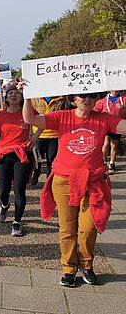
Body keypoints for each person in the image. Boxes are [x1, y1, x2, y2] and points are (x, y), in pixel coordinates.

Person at [24, 91, 126, 287]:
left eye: (92, 96)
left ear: (97, 99)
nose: (86, 100)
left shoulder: (103, 119)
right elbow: (29, 118)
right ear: (73, 99)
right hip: (64, 180)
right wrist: (28, 95)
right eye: (82, 96)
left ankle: (87, 265)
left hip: (93, 182)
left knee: (88, 228)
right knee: (67, 228)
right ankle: (68, 269)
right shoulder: (62, 116)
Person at [0, 85, 41, 237]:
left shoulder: (27, 111)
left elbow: (43, 123)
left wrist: (36, 135)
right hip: (4, 154)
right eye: (10, 93)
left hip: (22, 154)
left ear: (21, 97)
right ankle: (5, 205)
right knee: (3, 191)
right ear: (5, 98)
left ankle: (17, 222)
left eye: (17, 93)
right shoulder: (0, 115)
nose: (14, 95)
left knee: (19, 190)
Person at [30, 96, 70, 185]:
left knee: (51, 160)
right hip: (38, 134)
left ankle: (50, 180)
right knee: (37, 159)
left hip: (54, 135)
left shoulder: (61, 99)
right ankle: (36, 173)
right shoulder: (34, 98)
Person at [94, 90, 125, 173]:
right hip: (106, 125)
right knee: (105, 144)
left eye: (116, 89)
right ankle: (104, 162)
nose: (115, 90)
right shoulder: (103, 101)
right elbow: (95, 111)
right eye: (113, 88)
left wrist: (124, 108)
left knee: (114, 145)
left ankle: (112, 162)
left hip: (118, 125)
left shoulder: (124, 99)